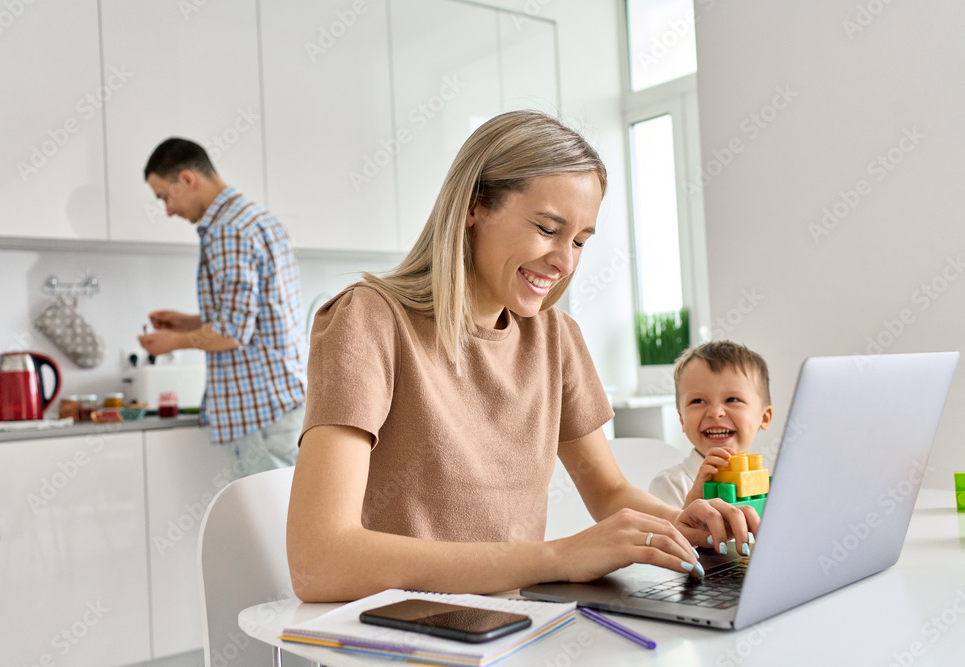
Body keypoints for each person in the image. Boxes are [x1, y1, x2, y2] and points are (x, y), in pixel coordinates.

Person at [286, 111, 759, 603]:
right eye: (547, 229)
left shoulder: (554, 337)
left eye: (579, 241)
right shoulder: (369, 320)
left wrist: (684, 527)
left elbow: (609, 492)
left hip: (517, 627)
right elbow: (319, 562)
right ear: (475, 206)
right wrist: (557, 558)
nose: (566, 261)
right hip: (407, 633)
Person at [138, 138, 306, 475]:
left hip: (259, 409)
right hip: (281, 400)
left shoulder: (227, 230)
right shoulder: (255, 218)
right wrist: (188, 323)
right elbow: (255, 315)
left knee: (268, 526)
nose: (168, 210)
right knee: (284, 520)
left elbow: (232, 331)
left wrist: (174, 343)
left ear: (186, 180)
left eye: (164, 197)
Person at [649, 341, 774, 511]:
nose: (715, 413)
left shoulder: (775, 484)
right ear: (682, 420)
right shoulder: (670, 485)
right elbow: (668, 536)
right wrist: (689, 511)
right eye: (698, 401)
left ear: (764, 418)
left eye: (732, 399)